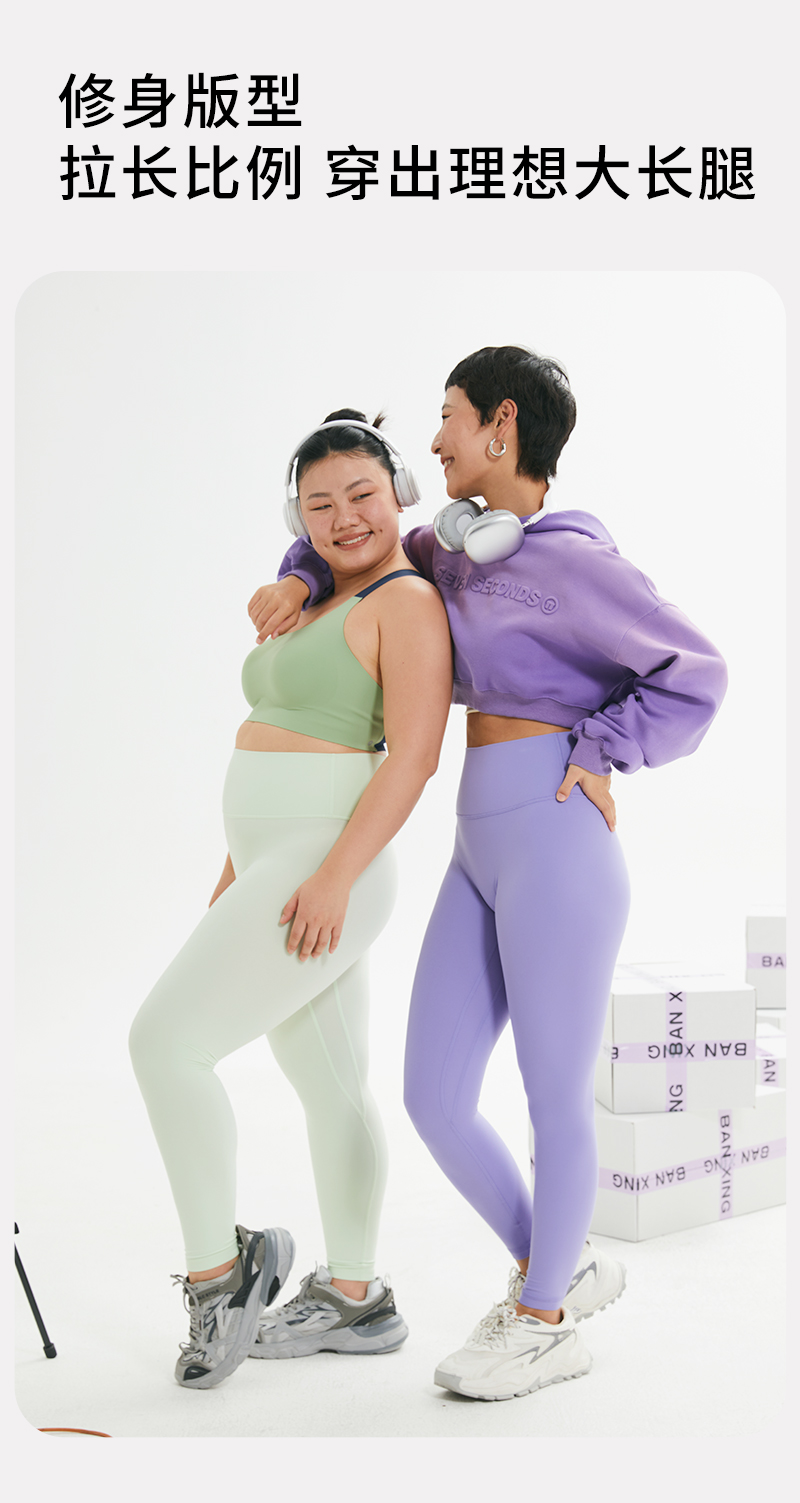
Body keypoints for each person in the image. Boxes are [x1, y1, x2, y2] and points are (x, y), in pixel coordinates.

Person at [249, 347, 728, 1403]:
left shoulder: (576, 564)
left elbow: (696, 672)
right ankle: (556, 1269)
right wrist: (295, 575)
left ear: (500, 425)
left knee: (553, 1097)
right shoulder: (453, 549)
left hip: (556, 839)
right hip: (477, 843)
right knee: (431, 1094)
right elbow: (354, 538)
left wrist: (603, 749)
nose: (432, 440)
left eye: (449, 417)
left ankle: (545, 1321)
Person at [129, 410, 452, 1389]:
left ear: (397, 494)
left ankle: (219, 1276)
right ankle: (358, 1296)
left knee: (164, 1044)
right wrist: (236, 873)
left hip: (327, 862)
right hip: (276, 861)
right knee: (330, 1084)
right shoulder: (314, 594)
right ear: (297, 518)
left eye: (361, 494)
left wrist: (332, 875)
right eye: (319, 505)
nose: (343, 517)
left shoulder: (405, 601)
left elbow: (413, 757)